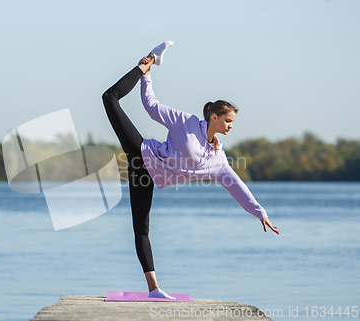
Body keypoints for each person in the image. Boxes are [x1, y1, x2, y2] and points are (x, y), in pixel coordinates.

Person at [102, 41, 279, 299]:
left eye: (233, 122)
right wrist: (146, 78)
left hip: (146, 177)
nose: (231, 126)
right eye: (228, 120)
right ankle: (146, 64)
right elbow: (151, 106)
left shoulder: (219, 160)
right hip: (143, 154)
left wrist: (259, 212)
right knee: (109, 98)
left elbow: (237, 186)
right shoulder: (185, 122)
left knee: (142, 230)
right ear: (214, 117)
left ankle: (154, 291)